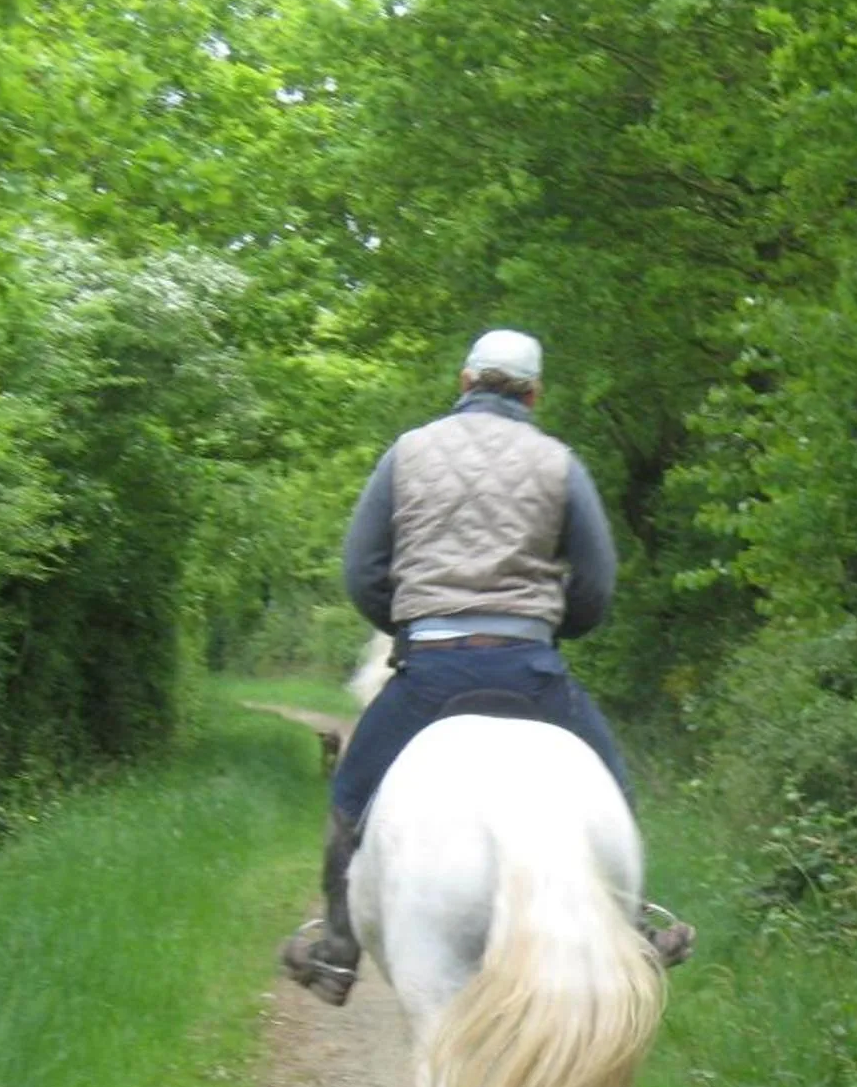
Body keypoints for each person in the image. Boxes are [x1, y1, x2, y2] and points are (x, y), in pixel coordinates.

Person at [280, 328, 695, 1004]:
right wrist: (555, 628)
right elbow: (595, 585)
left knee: (351, 799)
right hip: (530, 672)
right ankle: (637, 926)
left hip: (429, 673)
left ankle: (334, 951)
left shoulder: (407, 453)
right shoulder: (560, 463)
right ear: (534, 394)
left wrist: (409, 625)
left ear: (466, 381)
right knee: (616, 790)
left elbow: (362, 572)